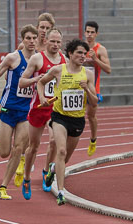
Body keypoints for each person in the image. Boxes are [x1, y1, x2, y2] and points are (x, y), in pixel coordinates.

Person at [40, 39, 97, 205]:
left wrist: (86, 88)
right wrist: (43, 97)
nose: (82, 56)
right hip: (59, 117)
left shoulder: (88, 74)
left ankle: (52, 169)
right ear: (70, 54)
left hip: (77, 120)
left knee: (64, 160)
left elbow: (94, 103)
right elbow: (40, 82)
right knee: (61, 151)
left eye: (84, 53)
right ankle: (61, 192)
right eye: (79, 52)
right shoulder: (58, 70)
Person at [0, 24, 38, 199]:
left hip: (26, 111)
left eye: (34, 38)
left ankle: (3, 187)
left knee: (18, 148)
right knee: (4, 152)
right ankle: (18, 159)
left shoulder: (38, 60)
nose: (32, 41)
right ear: (22, 40)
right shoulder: (13, 58)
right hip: (8, 109)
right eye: (28, 38)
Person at [18, 28, 66, 200]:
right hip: (38, 107)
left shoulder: (64, 61)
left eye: (58, 42)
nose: (55, 45)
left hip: (55, 109)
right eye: (52, 41)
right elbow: (22, 81)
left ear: (62, 43)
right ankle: (27, 178)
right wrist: (36, 80)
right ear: (45, 41)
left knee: (54, 141)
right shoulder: (37, 59)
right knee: (33, 147)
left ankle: (46, 171)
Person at [14, 12, 56, 187]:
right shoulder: (27, 45)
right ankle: (24, 161)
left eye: (48, 28)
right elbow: (18, 68)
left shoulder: (53, 47)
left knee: (53, 139)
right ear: (37, 27)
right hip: (29, 96)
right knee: (29, 141)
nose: (44, 31)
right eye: (42, 27)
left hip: (49, 99)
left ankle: (45, 170)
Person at [83, 21, 111, 156]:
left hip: (94, 88)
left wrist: (95, 60)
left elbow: (108, 69)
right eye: (87, 32)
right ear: (84, 32)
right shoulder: (80, 48)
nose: (89, 35)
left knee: (91, 116)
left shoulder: (100, 49)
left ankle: (93, 140)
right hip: (78, 87)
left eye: (92, 32)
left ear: (96, 34)